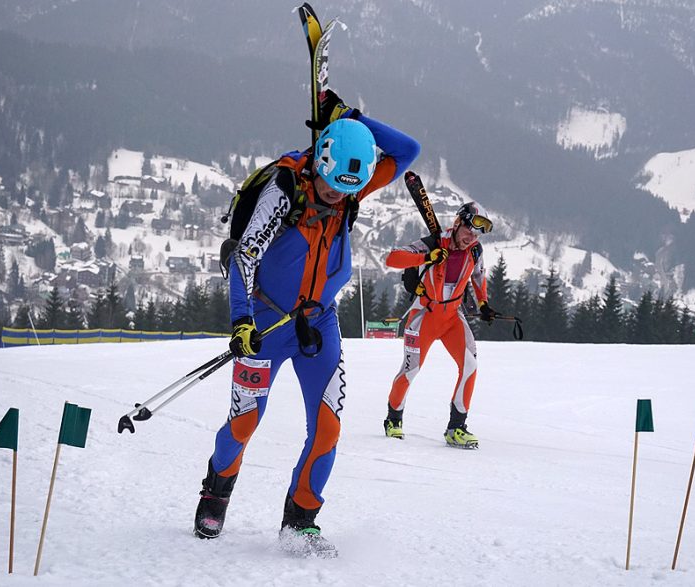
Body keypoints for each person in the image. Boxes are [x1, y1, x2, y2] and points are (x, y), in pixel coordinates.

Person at [194, 91, 420, 557]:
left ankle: (301, 520)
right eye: (333, 186)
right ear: (321, 160)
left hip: (319, 325)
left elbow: (407, 151)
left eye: (346, 190)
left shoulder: (348, 180)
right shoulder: (283, 190)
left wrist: (354, 119)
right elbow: (246, 256)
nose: (338, 196)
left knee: (328, 428)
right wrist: (240, 322)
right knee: (244, 424)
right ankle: (217, 489)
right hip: (265, 324)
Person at [383, 203, 498, 449]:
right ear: (457, 224)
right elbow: (392, 259)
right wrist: (427, 257)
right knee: (411, 369)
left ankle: (456, 427)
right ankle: (393, 418)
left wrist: (484, 303)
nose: (471, 238)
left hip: (453, 316)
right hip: (425, 314)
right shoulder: (433, 242)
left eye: (476, 235)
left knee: (470, 365)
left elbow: (478, 276)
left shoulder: (475, 250)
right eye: (469, 231)